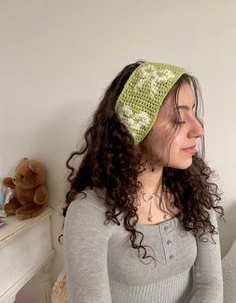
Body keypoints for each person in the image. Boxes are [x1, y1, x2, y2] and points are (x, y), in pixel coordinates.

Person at [63, 61, 224, 303]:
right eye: (179, 118)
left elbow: (209, 284)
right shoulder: (90, 212)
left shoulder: (192, 190)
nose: (198, 129)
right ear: (136, 128)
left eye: (194, 111)